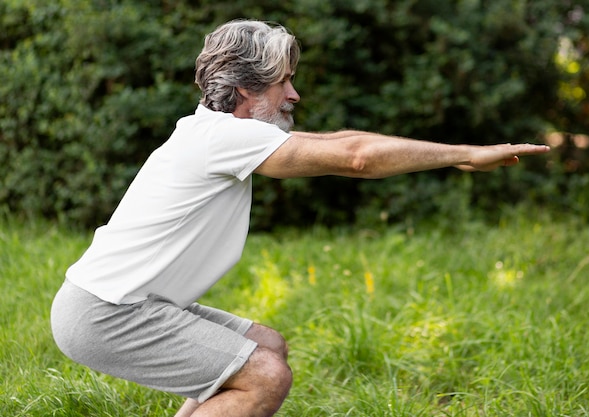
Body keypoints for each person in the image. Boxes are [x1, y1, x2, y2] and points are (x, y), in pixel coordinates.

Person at [50, 19, 550, 417]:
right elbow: (356, 157)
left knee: (267, 345)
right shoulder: (220, 138)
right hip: (105, 314)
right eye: (282, 82)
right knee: (266, 376)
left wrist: (458, 156)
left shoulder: (213, 132)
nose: (294, 95)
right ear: (245, 89)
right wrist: (465, 152)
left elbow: (333, 143)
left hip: (124, 304)